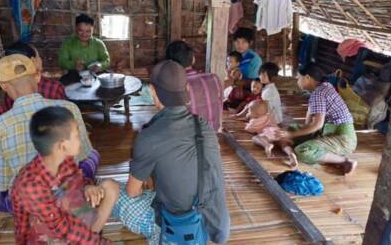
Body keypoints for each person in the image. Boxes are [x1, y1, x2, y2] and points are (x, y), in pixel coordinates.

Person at [0, 54, 100, 213]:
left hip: (27, 206)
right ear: (38, 76)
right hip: (66, 194)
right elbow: (82, 156)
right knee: (92, 155)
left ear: (3, 86)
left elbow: (0, 184)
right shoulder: (69, 109)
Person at [125, 60, 230, 244]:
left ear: (152, 92)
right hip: (215, 222)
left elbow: (133, 192)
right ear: (187, 89)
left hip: (181, 226)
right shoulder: (203, 125)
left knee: (116, 194)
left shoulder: (149, 136)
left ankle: (159, 236)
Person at [11, 106, 117, 245]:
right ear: (62, 146)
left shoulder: (65, 159)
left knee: (110, 187)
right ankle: (88, 237)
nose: (82, 139)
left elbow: (77, 182)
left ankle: (88, 236)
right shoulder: (30, 185)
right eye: (77, 135)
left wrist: (87, 186)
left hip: (69, 220)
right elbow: (63, 229)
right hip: (49, 235)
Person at [276, 63, 358, 175]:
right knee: (291, 129)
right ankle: (329, 155)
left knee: (302, 151)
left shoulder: (319, 93)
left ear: (307, 78)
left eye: (298, 78)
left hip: (343, 139)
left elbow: (317, 125)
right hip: (327, 132)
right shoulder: (323, 87)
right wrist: (293, 133)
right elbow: (308, 123)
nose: (297, 82)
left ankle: (345, 161)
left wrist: (290, 136)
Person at [166, 40, 223, 131]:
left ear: (170, 64)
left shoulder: (175, 86)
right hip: (214, 136)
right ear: (193, 59)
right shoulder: (214, 79)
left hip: (189, 140)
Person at [4, 42, 66, 109]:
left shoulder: (8, 91)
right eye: (38, 56)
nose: (40, 59)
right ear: (33, 61)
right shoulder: (54, 87)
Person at [59, 14, 110, 85]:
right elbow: (62, 61)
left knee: (108, 79)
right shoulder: (68, 44)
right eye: (81, 30)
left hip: (95, 73)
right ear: (76, 28)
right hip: (75, 75)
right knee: (63, 83)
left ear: (93, 29)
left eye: (88, 31)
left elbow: (106, 60)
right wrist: (74, 65)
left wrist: (100, 66)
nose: (84, 34)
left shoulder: (99, 44)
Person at [245, 100, 297, 168]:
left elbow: (249, 129)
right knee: (284, 144)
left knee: (256, 138)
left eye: (249, 111)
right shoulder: (269, 116)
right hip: (277, 132)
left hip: (267, 133)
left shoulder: (254, 121)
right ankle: (291, 154)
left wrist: (247, 124)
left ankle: (267, 145)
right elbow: (274, 123)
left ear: (256, 114)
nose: (248, 112)